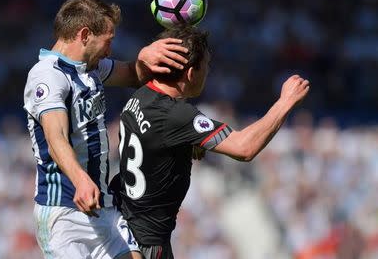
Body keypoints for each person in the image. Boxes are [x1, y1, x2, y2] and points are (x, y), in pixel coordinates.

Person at [114, 25, 310, 259]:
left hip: (124, 223)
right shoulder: (177, 115)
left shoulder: (141, 95)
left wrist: (186, 145)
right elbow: (244, 147)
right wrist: (285, 101)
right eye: (206, 66)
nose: (208, 72)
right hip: (147, 243)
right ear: (190, 73)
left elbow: (156, 142)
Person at [23, 0, 189, 259]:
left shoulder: (90, 69)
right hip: (64, 213)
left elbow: (135, 75)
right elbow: (56, 139)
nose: (110, 51)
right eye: (108, 41)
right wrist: (80, 180)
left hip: (103, 207)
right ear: (85, 34)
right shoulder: (47, 76)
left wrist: (145, 57)